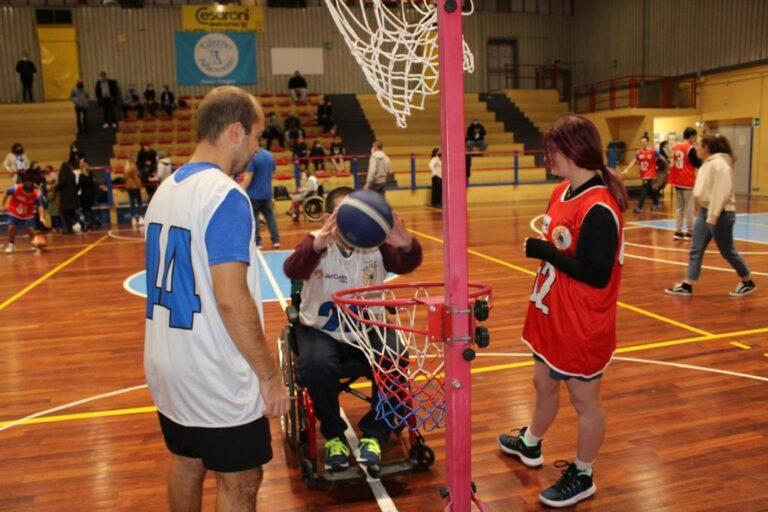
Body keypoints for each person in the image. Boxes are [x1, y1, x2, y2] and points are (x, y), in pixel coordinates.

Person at [143, 86, 289, 512]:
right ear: (235, 132)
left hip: (168, 363)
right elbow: (230, 298)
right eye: (258, 137)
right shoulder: (225, 196)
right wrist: (269, 376)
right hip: (214, 372)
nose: (258, 149)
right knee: (241, 479)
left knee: (187, 462)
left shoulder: (166, 189)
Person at [497, 115, 627, 508]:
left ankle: (583, 473)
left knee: (585, 402)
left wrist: (548, 252)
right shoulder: (563, 191)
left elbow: (597, 274)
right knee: (542, 382)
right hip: (553, 313)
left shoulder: (600, 208)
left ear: (572, 150)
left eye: (552, 149)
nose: (546, 156)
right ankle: (531, 442)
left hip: (582, 322)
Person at [283, 186, 422, 471]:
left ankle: (375, 433)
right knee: (315, 363)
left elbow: (406, 263)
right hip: (321, 331)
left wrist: (406, 244)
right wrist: (316, 245)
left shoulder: (378, 245)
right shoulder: (316, 245)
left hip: (368, 329)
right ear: (330, 217)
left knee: (395, 356)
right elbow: (292, 270)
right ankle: (334, 435)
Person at [665, 134, 756, 298]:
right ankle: (687, 284)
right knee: (695, 249)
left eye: (699, 145)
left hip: (721, 213)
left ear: (707, 147)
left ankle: (747, 281)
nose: (696, 148)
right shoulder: (706, 164)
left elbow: (721, 194)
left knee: (727, 251)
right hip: (705, 211)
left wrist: (712, 218)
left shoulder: (720, 165)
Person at [241, 148, 280, 249]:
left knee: (254, 218)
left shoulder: (252, 156)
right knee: (270, 217)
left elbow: (249, 175)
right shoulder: (269, 155)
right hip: (267, 193)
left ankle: (258, 242)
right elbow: (273, 173)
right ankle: (276, 241)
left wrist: (241, 190)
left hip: (254, 195)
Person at [669, 127, 702, 240]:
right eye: (695, 137)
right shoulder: (690, 148)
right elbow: (697, 163)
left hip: (677, 180)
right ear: (691, 136)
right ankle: (690, 231)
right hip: (687, 180)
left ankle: (678, 231)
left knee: (679, 207)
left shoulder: (675, 147)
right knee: (689, 207)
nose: (695, 139)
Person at [621, 135, 668, 213]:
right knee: (650, 189)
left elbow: (661, 158)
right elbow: (633, 161)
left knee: (644, 190)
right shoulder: (639, 152)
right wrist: (627, 169)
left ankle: (639, 207)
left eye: (644, 141)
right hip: (643, 174)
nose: (643, 143)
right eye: (642, 142)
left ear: (647, 142)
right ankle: (656, 203)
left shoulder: (653, 151)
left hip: (650, 174)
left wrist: (667, 165)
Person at [2, 175, 46, 254]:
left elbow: (40, 206)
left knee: (30, 229)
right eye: (27, 193)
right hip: (14, 209)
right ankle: (11, 244)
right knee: (11, 227)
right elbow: (6, 193)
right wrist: (3, 205)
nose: (28, 195)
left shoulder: (36, 194)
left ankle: (35, 244)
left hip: (28, 212)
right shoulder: (15, 188)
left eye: (30, 193)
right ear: (23, 189)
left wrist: (41, 217)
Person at [57, 162, 80, 234]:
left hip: (65, 197)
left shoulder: (62, 175)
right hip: (72, 197)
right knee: (71, 213)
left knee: (64, 214)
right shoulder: (72, 175)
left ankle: (67, 229)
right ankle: (81, 223)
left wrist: (56, 188)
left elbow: (61, 185)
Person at [78, 160, 97, 231]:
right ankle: (91, 223)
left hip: (85, 195)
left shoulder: (81, 176)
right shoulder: (90, 174)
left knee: (85, 210)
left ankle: (89, 224)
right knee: (89, 209)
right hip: (91, 194)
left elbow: (79, 185)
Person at [124, 160, 144, 227]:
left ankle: (133, 219)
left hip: (128, 186)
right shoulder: (134, 167)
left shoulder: (126, 168)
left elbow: (124, 178)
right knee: (139, 202)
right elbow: (136, 178)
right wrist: (140, 187)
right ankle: (140, 217)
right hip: (135, 186)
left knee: (132, 203)